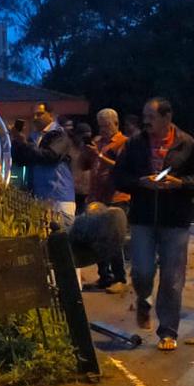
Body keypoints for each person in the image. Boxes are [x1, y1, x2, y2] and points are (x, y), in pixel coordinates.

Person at [114, 97, 194, 351]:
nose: (146, 121)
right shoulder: (135, 144)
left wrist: (181, 184)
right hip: (143, 218)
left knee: (172, 278)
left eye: (152, 116)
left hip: (175, 220)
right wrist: (139, 182)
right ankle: (143, 299)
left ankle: (168, 331)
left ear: (167, 118)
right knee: (142, 271)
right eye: (144, 115)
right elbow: (119, 176)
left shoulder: (186, 144)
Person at [85, 108, 130, 293]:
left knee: (114, 238)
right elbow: (85, 165)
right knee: (97, 237)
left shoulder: (123, 142)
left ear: (116, 124)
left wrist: (100, 156)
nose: (103, 129)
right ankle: (104, 275)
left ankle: (120, 278)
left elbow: (122, 167)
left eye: (106, 125)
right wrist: (87, 153)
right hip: (97, 196)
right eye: (100, 126)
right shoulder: (98, 142)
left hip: (116, 197)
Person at [10, 102, 75, 222]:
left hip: (59, 196)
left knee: (63, 234)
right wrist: (17, 141)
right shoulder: (33, 137)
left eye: (39, 114)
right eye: (33, 115)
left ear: (51, 115)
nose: (35, 118)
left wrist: (25, 143)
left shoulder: (59, 135)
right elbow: (19, 160)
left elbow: (50, 156)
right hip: (39, 196)